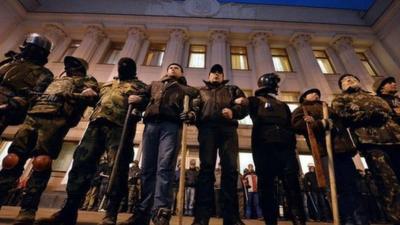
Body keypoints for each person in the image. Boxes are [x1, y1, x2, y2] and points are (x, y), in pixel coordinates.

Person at [35, 57, 148, 225]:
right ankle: (69, 211)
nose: (122, 67)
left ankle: (111, 213)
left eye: (127, 65)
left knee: (117, 167)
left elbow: (148, 102)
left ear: (133, 70)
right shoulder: (108, 85)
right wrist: (89, 95)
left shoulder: (140, 86)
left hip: (119, 128)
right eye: (120, 65)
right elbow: (95, 101)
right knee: (81, 164)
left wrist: (141, 100)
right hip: (95, 125)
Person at [0, 56, 99, 225]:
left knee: (41, 161)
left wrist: (85, 93)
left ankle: (28, 210)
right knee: (12, 159)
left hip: (56, 118)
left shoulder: (87, 80)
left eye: (74, 64)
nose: (69, 67)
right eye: (68, 64)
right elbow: (34, 92)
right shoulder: (53, 80)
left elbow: (92, 95)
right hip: (33, 116)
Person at [118, 63, 198, 225]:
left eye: (177, 67)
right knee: (147, 168)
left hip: (171, 126)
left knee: (165, 167)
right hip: (151, 125)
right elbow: (143, 99)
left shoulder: (187, 89)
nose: (173, 68)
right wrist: (138, 99)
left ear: (181, 72)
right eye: (171, 67)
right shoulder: (154, 85)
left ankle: (161, 211)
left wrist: (191, 113)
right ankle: (143, 212)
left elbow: (195, 105)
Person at [292, 87, 371, 224]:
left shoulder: (328, 108)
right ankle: (345, 218)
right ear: (304, 97)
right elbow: (298, 126)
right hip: (324, 151)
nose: (316, 94)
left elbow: (343, 124)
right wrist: (319, 124)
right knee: (336, 187)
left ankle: (361, 218)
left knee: (352, 185)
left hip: (342, 150)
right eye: (311, 93)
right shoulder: (302, 109)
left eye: (317, 92)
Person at [332, 73, 400, 224]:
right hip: (371, 142)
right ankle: (396, 217)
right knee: (387, 181)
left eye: (352, 78)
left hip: (395, 139)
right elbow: (343, 115)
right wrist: (369, 115)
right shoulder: (341, 99)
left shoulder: (375, 97)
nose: (349, 80)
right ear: (342, 86)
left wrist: (381, 113)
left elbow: (389, 112)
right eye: (344, 80)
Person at [243, 73, 306, 225]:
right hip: (264, 148)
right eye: (275, 84)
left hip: (286, 148)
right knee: (267, 187)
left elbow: (291, 125)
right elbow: (240, 110)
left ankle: (298, 220)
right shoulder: (254, 101)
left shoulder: (283, 105)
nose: (277, 87)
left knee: (292, 186)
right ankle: (270, 221)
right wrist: (237, 104)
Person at [191, 64, 248, 225]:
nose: (216, 75)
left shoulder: (232, 89)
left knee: (230, 170)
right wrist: (191, 115)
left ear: (223, 76)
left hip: (227, 130)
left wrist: (234, 111)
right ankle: (201, 217)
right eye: (213, 73)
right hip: (207, 130)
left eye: (219, 73)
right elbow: (194, 108)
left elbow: (244, 105)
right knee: (206, 169)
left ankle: (231, 218)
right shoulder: (200, 91)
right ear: (208, 76)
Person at [0, 33, 53, 135]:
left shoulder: (44, 73)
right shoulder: (9, 62)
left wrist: (10, 105)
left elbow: (34, 96)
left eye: (32, 48)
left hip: (5, 106)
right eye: (28, 47)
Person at [373, 76, 400, 180]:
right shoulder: (377, 100)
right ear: (381, 88)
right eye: (389, 83)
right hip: (392, 139)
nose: (394, 84)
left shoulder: (397, 99)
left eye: (394, 82)